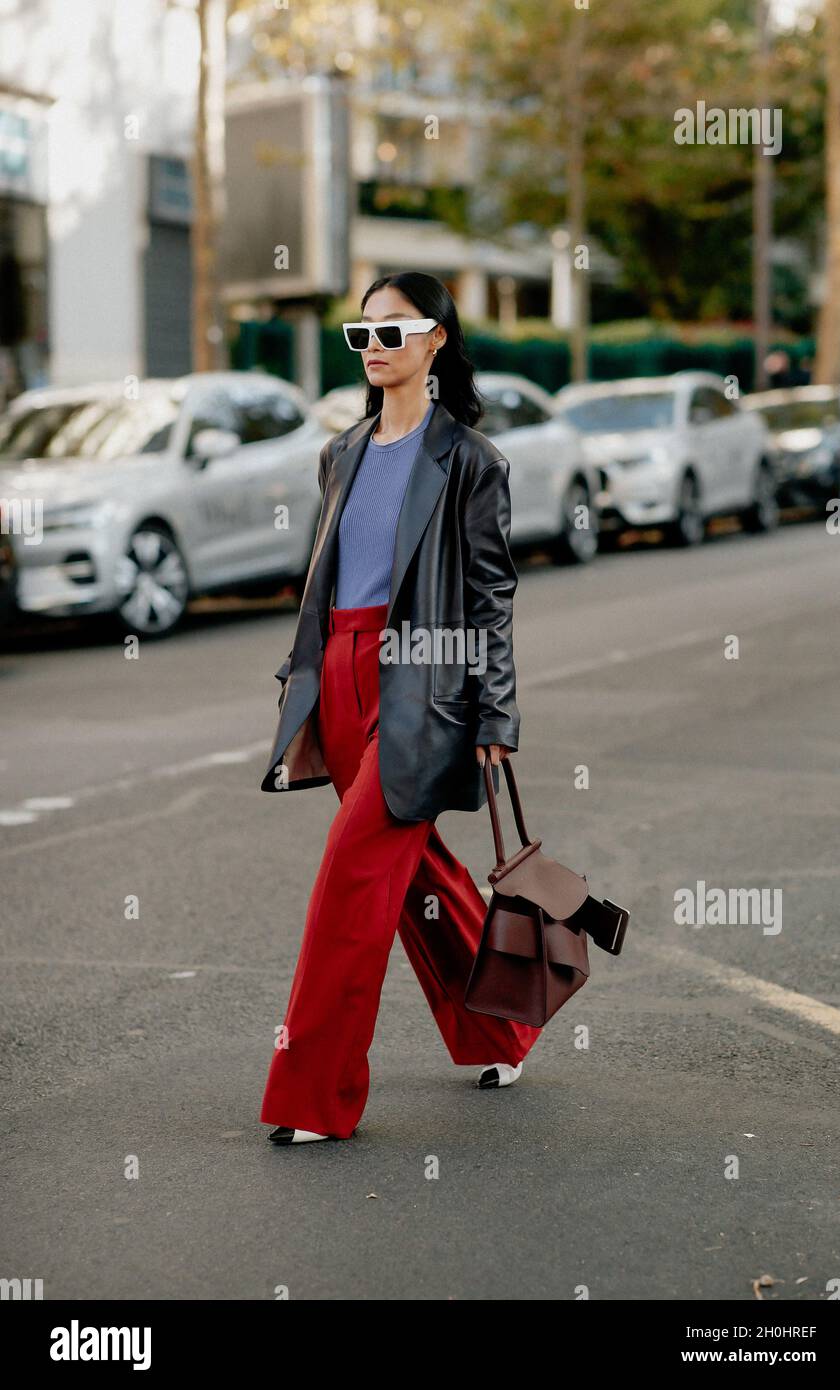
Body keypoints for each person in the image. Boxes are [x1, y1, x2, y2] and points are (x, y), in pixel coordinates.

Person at [259, 271, 542, 1144]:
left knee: (352, 875)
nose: (375, 347)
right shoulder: (339, 454)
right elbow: (327, 576)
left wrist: (495, 716)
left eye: (394, 330)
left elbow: (490, 598)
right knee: (413, 870)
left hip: (424, 680)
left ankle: (314, 1092)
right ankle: (502, 1025)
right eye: (363, 333)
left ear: (436, 341)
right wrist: (302, 677)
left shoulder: (470, 463)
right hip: (340, 678)